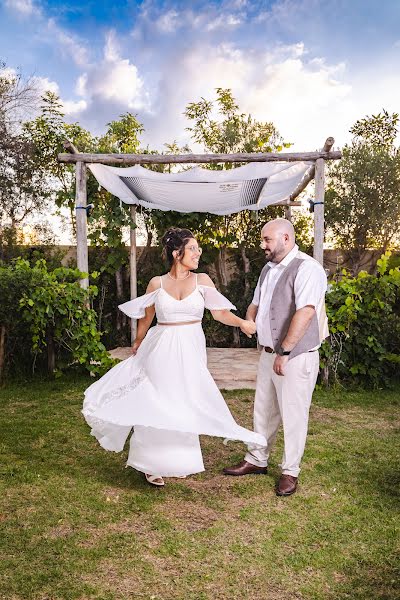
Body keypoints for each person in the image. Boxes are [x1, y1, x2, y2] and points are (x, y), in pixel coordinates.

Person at [83, 227, 266, 487]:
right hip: (162, 346)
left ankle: (179, 461)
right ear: (176, 253)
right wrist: (137, 342)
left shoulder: (202, 280)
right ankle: (149, 463)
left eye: (198, 249)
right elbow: (147, 318)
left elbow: (219, 313)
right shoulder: (157, 283)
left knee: (184, 399)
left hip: (191, 345)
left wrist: (242, 324)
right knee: (157, 399)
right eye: (193, 248)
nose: (198, 253)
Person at [223, 218, 328, 496]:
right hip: (268, 354)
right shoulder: (267, 269)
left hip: (295, 356)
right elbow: (255, 304)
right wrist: (249, 320)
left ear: (286, 238)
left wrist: (285, 351)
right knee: (264, 408)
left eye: (267, 240)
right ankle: (257, 459)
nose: (263, 245)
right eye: (262, 240)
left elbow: (305, 312)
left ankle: (290, 471)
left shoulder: (308, 268)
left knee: (293, 413)